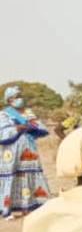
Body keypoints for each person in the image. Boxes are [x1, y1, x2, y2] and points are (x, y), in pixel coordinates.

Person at [0, 86, 51, 219]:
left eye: (20, 95)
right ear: (9, 99)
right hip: (12, 152)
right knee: (12, 176)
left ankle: (28, 207)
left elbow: (39, 126)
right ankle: (7, 210)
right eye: (16, 96)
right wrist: (19, 127)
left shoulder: (28, 112)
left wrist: (29, 126)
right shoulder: (4, 114)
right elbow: (3, 132)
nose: (20, 99)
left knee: (29, 175)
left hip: (29, 149)